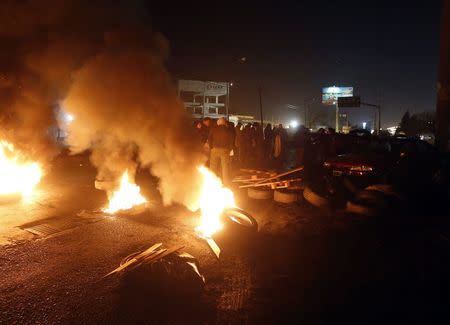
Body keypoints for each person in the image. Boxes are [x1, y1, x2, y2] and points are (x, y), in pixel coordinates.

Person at [208, 117, 234, 184]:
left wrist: (211, 147)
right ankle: (226, 182)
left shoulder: (213, 129)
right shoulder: (228, 130)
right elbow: (231, 140)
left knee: (213, 167)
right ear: (225, 123)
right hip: (225, 150)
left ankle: (211, 182)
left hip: (215, 149)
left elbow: (210, 139)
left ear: (218, 123)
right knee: (225, 167)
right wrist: (230, 149)